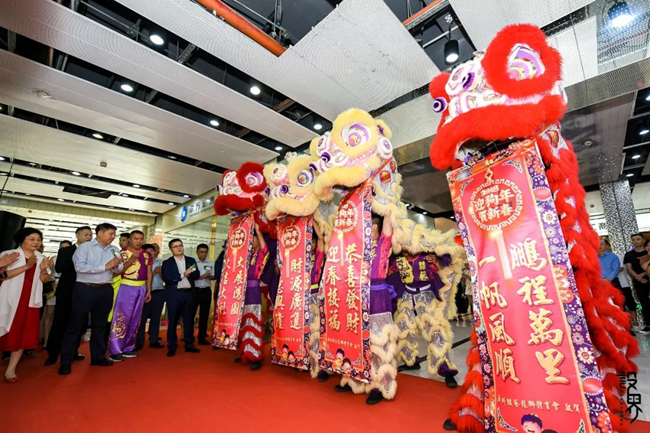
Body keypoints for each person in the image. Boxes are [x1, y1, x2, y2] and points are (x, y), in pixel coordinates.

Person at [335, 213, 398, 405]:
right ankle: (355, 378)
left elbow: (388, 219)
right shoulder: (357, 247)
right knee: (356, 338)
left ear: (376, 227)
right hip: (356, 295)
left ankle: (380, 385)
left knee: (379, 341)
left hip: (377, 295)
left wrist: (386, 205)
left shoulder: (383, 244)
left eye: (369, 225)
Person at [58, 223, 123, 375]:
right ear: (100, 233)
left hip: (106, 289)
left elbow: (119, 270)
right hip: (85, 289)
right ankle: (66, 361)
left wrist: (116, 266)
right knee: (75, 325)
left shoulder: (114, 249)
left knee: (100, 325)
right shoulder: (84, 248)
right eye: (110, 234)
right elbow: (80, 267)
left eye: (114, 234)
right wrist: (105, 266)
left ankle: (98, 357)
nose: (113, 237)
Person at [389, 250, 459, 388]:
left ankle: (446, 369)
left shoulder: (427, 257)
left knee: (436, 332)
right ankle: (410, 361)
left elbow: (447, 271)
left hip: (426, 296)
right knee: (403, 329)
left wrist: (436, 262)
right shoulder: (398, 259)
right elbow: (388, 275)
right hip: (407, 296)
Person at [0, 228, 53, 382]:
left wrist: (43, 271)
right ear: (21, 240)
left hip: (30, 299)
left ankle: (11, 369)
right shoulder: (9, 254)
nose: (36, 242)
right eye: (31, 239)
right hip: (9, 296)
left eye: (38, 239)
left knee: (23, 334)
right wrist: (26, 266)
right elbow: (3, 276)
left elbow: (45, 280)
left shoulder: (41, 257)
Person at [44, 226, 92, 365]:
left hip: (84, 292)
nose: (88, 237)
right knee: (59, 323)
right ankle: (52, 354)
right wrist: (78, 259)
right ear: (77, 235)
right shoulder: (66, 251)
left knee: (79, 324)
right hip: (66, 293)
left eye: (90, 235)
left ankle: (73, 351)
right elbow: (60, 268)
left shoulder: (92, 252)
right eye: (85, 234)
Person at [107, 230, 152, 362]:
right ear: (130, 240)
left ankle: (128, 347)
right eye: (136, 238)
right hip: (126, 286)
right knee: (121, 317)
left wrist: (149, 290)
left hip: (141, 288)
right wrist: (132, 260)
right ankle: (115, 350)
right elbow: (117, 272)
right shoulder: (122, 253)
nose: (139, 241)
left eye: (141, 239)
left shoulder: (147, 254)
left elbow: (149, 273)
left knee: (135, 319)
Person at [236, 223, 268, 370]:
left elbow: (264, 248)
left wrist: (258, 232)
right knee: (244, 321)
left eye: (252, 239)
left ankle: (255, 354)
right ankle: (245, 351)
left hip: (254, 291)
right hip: (242, 291)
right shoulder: (246, 256)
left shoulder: (260, 254)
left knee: (253, 321)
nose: (250, 241)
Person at [161, 239, 201, 357]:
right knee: (173, 321)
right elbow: (167, 278)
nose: (179, 248)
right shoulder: (167, 263)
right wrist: (183, 274)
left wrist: (191, 273)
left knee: (189, 321)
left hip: (189, 294)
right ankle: (172, 346)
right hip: (174, 294)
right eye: (175, 246)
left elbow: (197, 274)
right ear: (170, 249)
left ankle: (189, 344)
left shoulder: (190, 260)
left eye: (180, 245)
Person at [135, 244, 165, 350]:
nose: (150, 253)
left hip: (159, 292)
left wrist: (161, 273)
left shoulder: (161, 262)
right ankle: (139, 342)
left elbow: (166, 278)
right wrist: (153, 272)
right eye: (147, 251)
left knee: (156, 318)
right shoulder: (139, 262)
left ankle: (154, 340)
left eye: (151, 251)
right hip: (144, 293)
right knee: (142, 319)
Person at [40, 241, 68, 349]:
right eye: (62, 247)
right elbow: (48, 274)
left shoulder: (75, 258)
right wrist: (52, 283)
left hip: (67, 289)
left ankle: (62, 341)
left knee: (64, 315)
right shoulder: (54, 259)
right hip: (53, 288)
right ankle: (46, 341)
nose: (64, 250)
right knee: (49, 314)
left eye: (67, 248)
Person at [308, 223, 327, 381]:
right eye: (309, 242)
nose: (311, 245)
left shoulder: (318, 257)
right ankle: (305, 361)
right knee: (305, 331)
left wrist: (312, 220)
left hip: (315, 295)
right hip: (301, 297)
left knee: (317, 332)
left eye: (313, 242)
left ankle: (320, 366)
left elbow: (321, 238)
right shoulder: (300, 258)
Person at [624, 234, 650, 334]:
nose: (636, 241)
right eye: (633, 240)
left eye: (638, 239)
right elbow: (629, 268)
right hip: (638, 281)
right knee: (644, 302)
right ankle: (648, 325)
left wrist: (643, 274)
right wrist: (638, 277)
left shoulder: (648, 252)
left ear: (643, 240)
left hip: (647, 277)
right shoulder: (629, 255)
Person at [193, 243, 216, 345]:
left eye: (205, 252)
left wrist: (209, 276)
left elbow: (214, 277)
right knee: (191, 314)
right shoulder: (193, 263)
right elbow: (189, 276)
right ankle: (189, 336)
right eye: (201, 252)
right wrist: (200, 277)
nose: (203, 254)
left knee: (204, 315)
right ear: (197, 252)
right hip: (194, 291)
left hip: (206, 290)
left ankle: (202, 337)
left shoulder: (211, 263)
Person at [612, 242, 636, 333]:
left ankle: (634, 325)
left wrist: (608, 274)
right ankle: (625, 326)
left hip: (624, 284)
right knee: (619, 306)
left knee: (630, 305)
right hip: (612, 285)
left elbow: (620, 268)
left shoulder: (618, 256)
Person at [211, 241, 226, 351]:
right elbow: (218, 276)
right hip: (222, 291)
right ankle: (217, 339)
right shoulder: (220, 261)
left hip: (234, 294)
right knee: (219, 317)